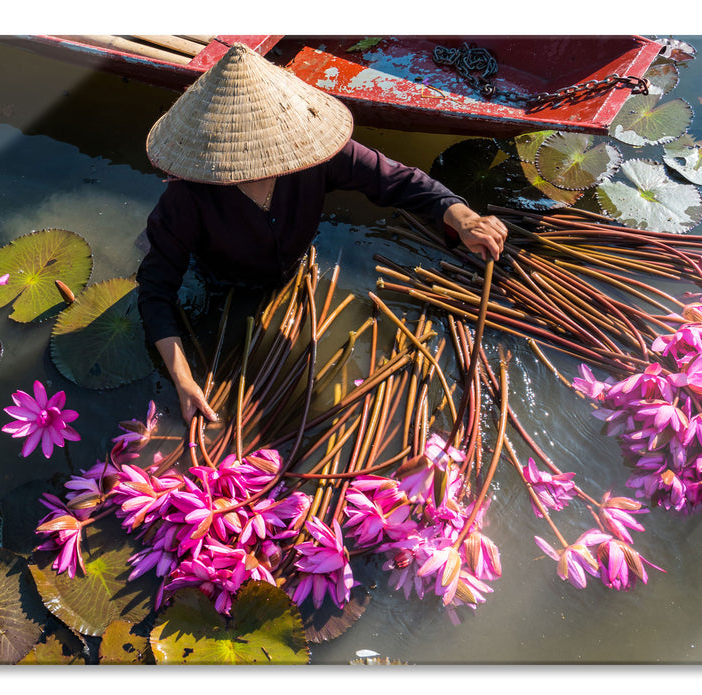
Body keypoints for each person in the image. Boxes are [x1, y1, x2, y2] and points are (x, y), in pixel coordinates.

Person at [136, 43, 507, 426]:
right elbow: (154, 291)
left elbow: (397, 179)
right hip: (220, 279)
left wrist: (461, 216)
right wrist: (183, 378)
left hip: (290, 267)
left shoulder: (313, 154)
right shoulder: (188, 195)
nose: (258, 164)